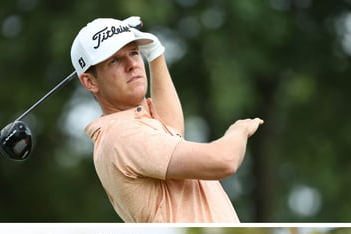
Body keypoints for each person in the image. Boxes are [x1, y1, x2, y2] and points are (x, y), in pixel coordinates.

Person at [70, 17, 263, 222]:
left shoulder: (135, 124)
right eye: (114, 60)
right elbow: (224, 161)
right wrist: (238, 131)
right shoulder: (121, 135)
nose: (132, 65)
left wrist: (155, 52)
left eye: (134, 52)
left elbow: (172, 130)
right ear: (90, 82)